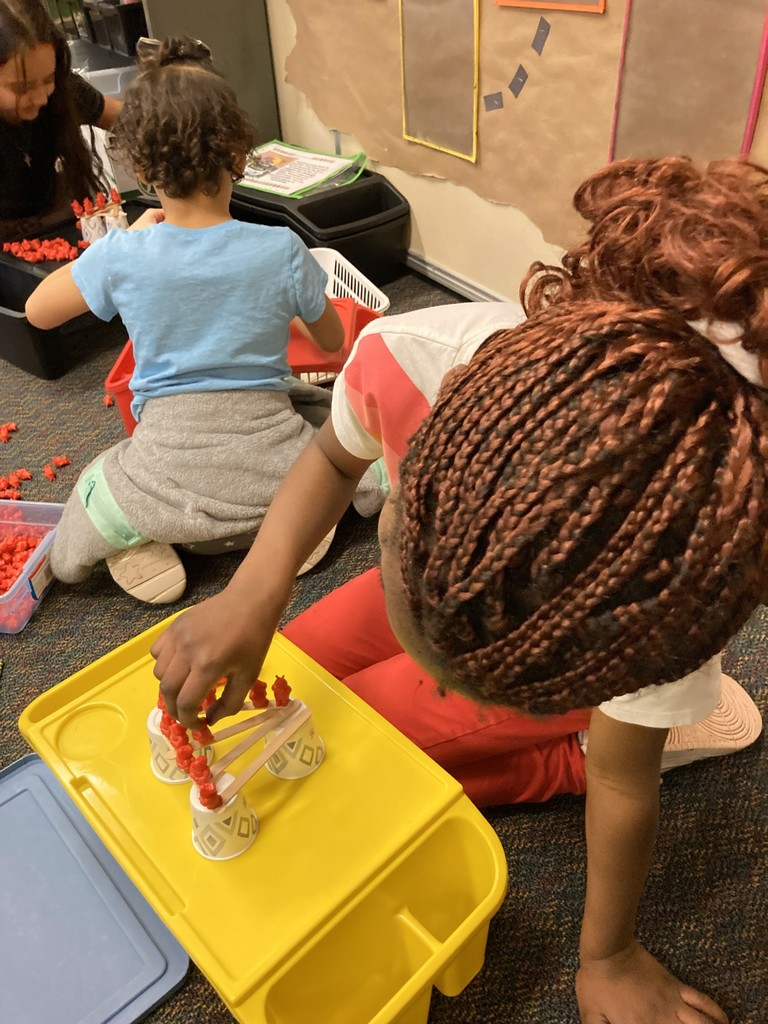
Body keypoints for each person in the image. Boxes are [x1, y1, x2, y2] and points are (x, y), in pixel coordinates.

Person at [150, 155, 768, 1023]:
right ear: (421, 491)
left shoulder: (657, 602)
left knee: (353, 760)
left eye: (455, 671)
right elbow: (331, 456)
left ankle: (578, 747)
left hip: (605, 695)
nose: (426, 660)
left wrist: (610, 954)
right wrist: (255, 592)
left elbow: (631, 790)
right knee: (297, 679)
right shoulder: (406, 360)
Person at [25, 35, 384, 604]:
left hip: (164, 480)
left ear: (141, 168)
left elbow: (37, 312)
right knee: (343, 436)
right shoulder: (283, 249)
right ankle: (300, 529)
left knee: (96, 484)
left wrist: (124, 240)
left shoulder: (124, 256)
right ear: (241, 157)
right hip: (277, 472)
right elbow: (336, 346)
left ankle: (139, 542)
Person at [0, 0, 120, 241]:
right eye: (21, 88)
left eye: (48, 79)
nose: (40, 97)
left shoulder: (64, 92)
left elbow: (126, 119)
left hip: (62, 232)